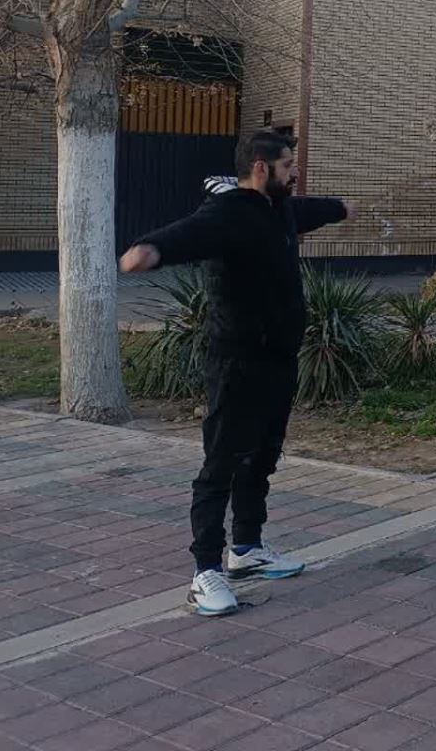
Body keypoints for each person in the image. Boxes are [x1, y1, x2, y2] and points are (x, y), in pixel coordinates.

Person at [118, 130, 351, 618]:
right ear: (261, 168)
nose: (295, 171)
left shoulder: (280, 210)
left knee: (261, 457)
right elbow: (185, 235)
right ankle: (205, 571)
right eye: (287, 164)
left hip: (277, 361)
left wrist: (342, 208)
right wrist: (149, 250)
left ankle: (246, 548)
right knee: (221, 464)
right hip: (236, 363)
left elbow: (313, 209)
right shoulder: (227, 214)